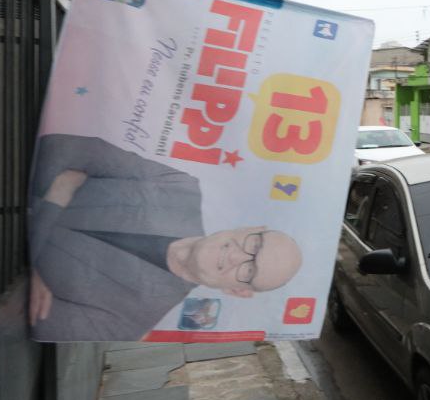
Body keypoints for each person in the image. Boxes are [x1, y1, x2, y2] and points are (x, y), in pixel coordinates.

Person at [28, 133, 303, 342]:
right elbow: (58, 147)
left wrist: (56, 197)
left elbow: (26, 318)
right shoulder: (178, 185)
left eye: (249, 269)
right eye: (254, 243)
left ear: (237, 291)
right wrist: (35, 267)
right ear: (249, 227)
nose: (236, 255)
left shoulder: (132, 322)